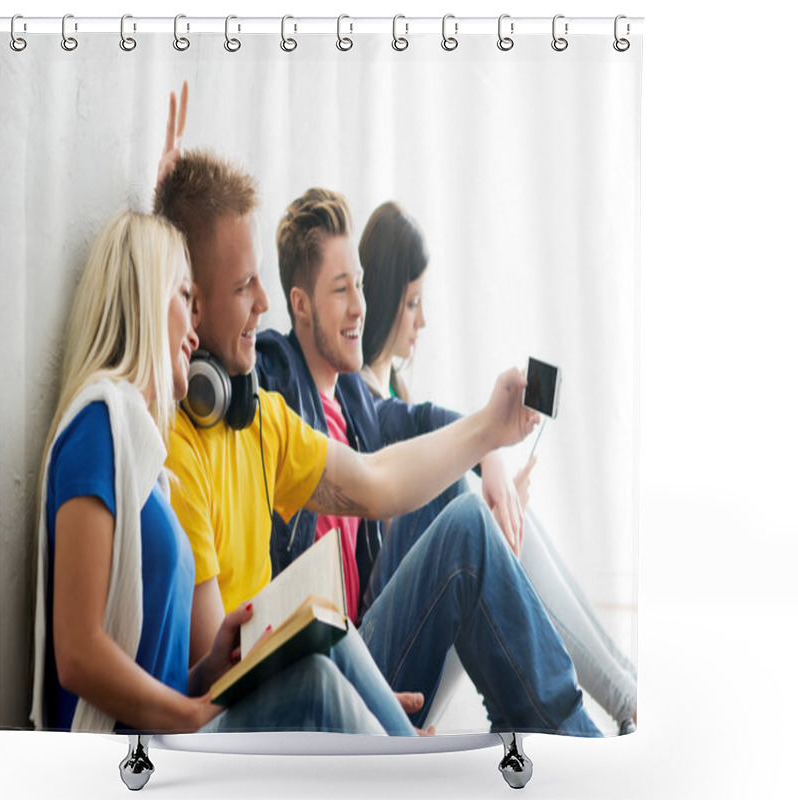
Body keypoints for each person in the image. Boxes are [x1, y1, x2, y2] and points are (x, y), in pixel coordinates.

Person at [29, 209, 411, 737]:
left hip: (166, 735)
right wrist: (190, 714)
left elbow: (151, 673)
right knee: (314, 684)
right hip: (133, 759)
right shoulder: (98, 426)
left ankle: (412, 756)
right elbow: (77, 654)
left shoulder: (142, 459)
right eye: (184, 297)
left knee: (331, 632)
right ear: (144, 298)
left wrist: (207, 670)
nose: (194, 324)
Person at [252, 186, 602, 736]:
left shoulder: (358, 403)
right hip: (331, 672)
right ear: (300, 305)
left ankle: (552, 719)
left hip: (368, 643)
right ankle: (572, 732)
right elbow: (223, 352)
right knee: (466, 523)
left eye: (361, 286)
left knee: (458, 492)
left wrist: (493, 454)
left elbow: (440, 425)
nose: (359, 308)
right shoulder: (273, 376)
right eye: (341, 290)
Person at [358, 201, 638, 731]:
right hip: (387, 646)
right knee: (464, 499)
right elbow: (433, 426)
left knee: (489, 511)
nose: (422, 321)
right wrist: (486, 456)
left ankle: (627, 692)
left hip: (418, 621)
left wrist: (500, 490)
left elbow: (433, 424)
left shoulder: (392, 392)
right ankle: (624, 698)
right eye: (411, 302)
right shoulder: (361, 399)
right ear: (383, 297)